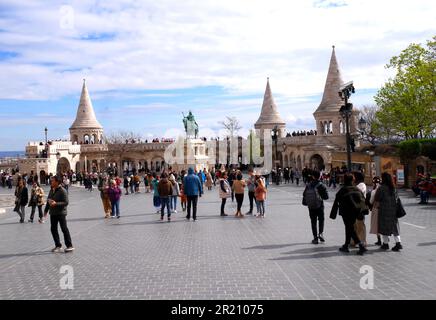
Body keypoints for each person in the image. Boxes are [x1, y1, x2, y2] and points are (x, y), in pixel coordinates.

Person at [330, 173, 368, 255]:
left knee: (350, 228)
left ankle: (361, 246)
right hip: (355, 212)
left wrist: (333, 214)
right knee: (349, 227)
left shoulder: (343, 190)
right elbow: (362, 200)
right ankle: (346, 245)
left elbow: (336, 201)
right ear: (353, 180)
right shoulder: (356, 189)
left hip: (345, 212)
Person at [44, 175, 74, 252]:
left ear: (57, 182)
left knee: (64, 229)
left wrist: (56, 204)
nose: (51, 182)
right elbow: (49, 200)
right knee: (53, 229)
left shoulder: (63, 190)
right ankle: (58, 245)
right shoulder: (51, 190)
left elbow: (66, 202)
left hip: (61, 213)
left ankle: (70, 245)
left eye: (53, 180)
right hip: (53, 213)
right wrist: (46, 210)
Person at [375, 172, 403, 251]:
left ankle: (385, 244)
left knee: (384, 228)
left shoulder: (381, 188)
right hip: (393, 210)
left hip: (384, 210)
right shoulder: (393, 188)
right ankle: (398, 243)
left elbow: (377, 198)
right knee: (395, 227)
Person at [302, 171, 329, 244]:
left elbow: (304, 194)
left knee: (313, 221)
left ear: (313, 176)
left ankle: (315, 238)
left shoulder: (308, 185)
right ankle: (320, 233)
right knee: (321, 219)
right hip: (320, 206)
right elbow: (326, 197)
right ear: (319, 176)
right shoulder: (321, 185)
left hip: (311, 206)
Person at [352, 171, 367, 247]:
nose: (353, 178)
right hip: (354, 208)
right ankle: (354, 241)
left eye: (353, 176)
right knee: (355, 225)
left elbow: (356, 192)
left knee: (360, 225)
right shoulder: (356, 184)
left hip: (360, 208)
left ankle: (361, 241)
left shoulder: (362, 185)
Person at [369, 176, 382, 246]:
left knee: (376, 224)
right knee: (383, 224)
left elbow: (371, 201)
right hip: (384, 209)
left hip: (376, 209)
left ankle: (379, 240)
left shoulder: (374, 191)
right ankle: (386, 240)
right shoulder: (383, 189)